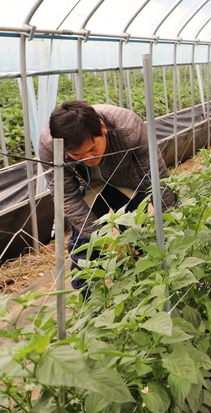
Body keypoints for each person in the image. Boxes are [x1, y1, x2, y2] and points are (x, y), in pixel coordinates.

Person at [39, 100, 177, 292]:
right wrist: (105, 240)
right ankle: (89, 303)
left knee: (135, 238)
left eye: (92, 149)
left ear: (103, 129)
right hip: (85, 190)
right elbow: (67, 197)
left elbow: (155, 177)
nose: (88, 158)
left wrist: (173, 221)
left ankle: (135, 290)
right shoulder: (51, 145)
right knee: (85, 248)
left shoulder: (128, 127)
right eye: (78, 155)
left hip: (126, 181)